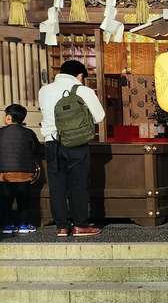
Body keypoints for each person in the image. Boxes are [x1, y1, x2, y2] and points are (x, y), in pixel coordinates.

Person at [38, 59, 105, 237]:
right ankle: (81, 225)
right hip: (77, 144)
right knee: (79, 185)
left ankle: (62, 226)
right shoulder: (83, 90)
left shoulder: (44, 90)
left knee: (57, 186)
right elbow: (99, 117)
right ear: (80, 75)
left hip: (52, 142)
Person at [0, 103, 41, 233]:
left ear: (8, 117)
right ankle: (24, 225)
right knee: (23, 200)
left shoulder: (0, 132)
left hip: (4, 172)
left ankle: (8, 225)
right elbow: (36, 148)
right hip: (24, 171)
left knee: (6, 200)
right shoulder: (28, 133)